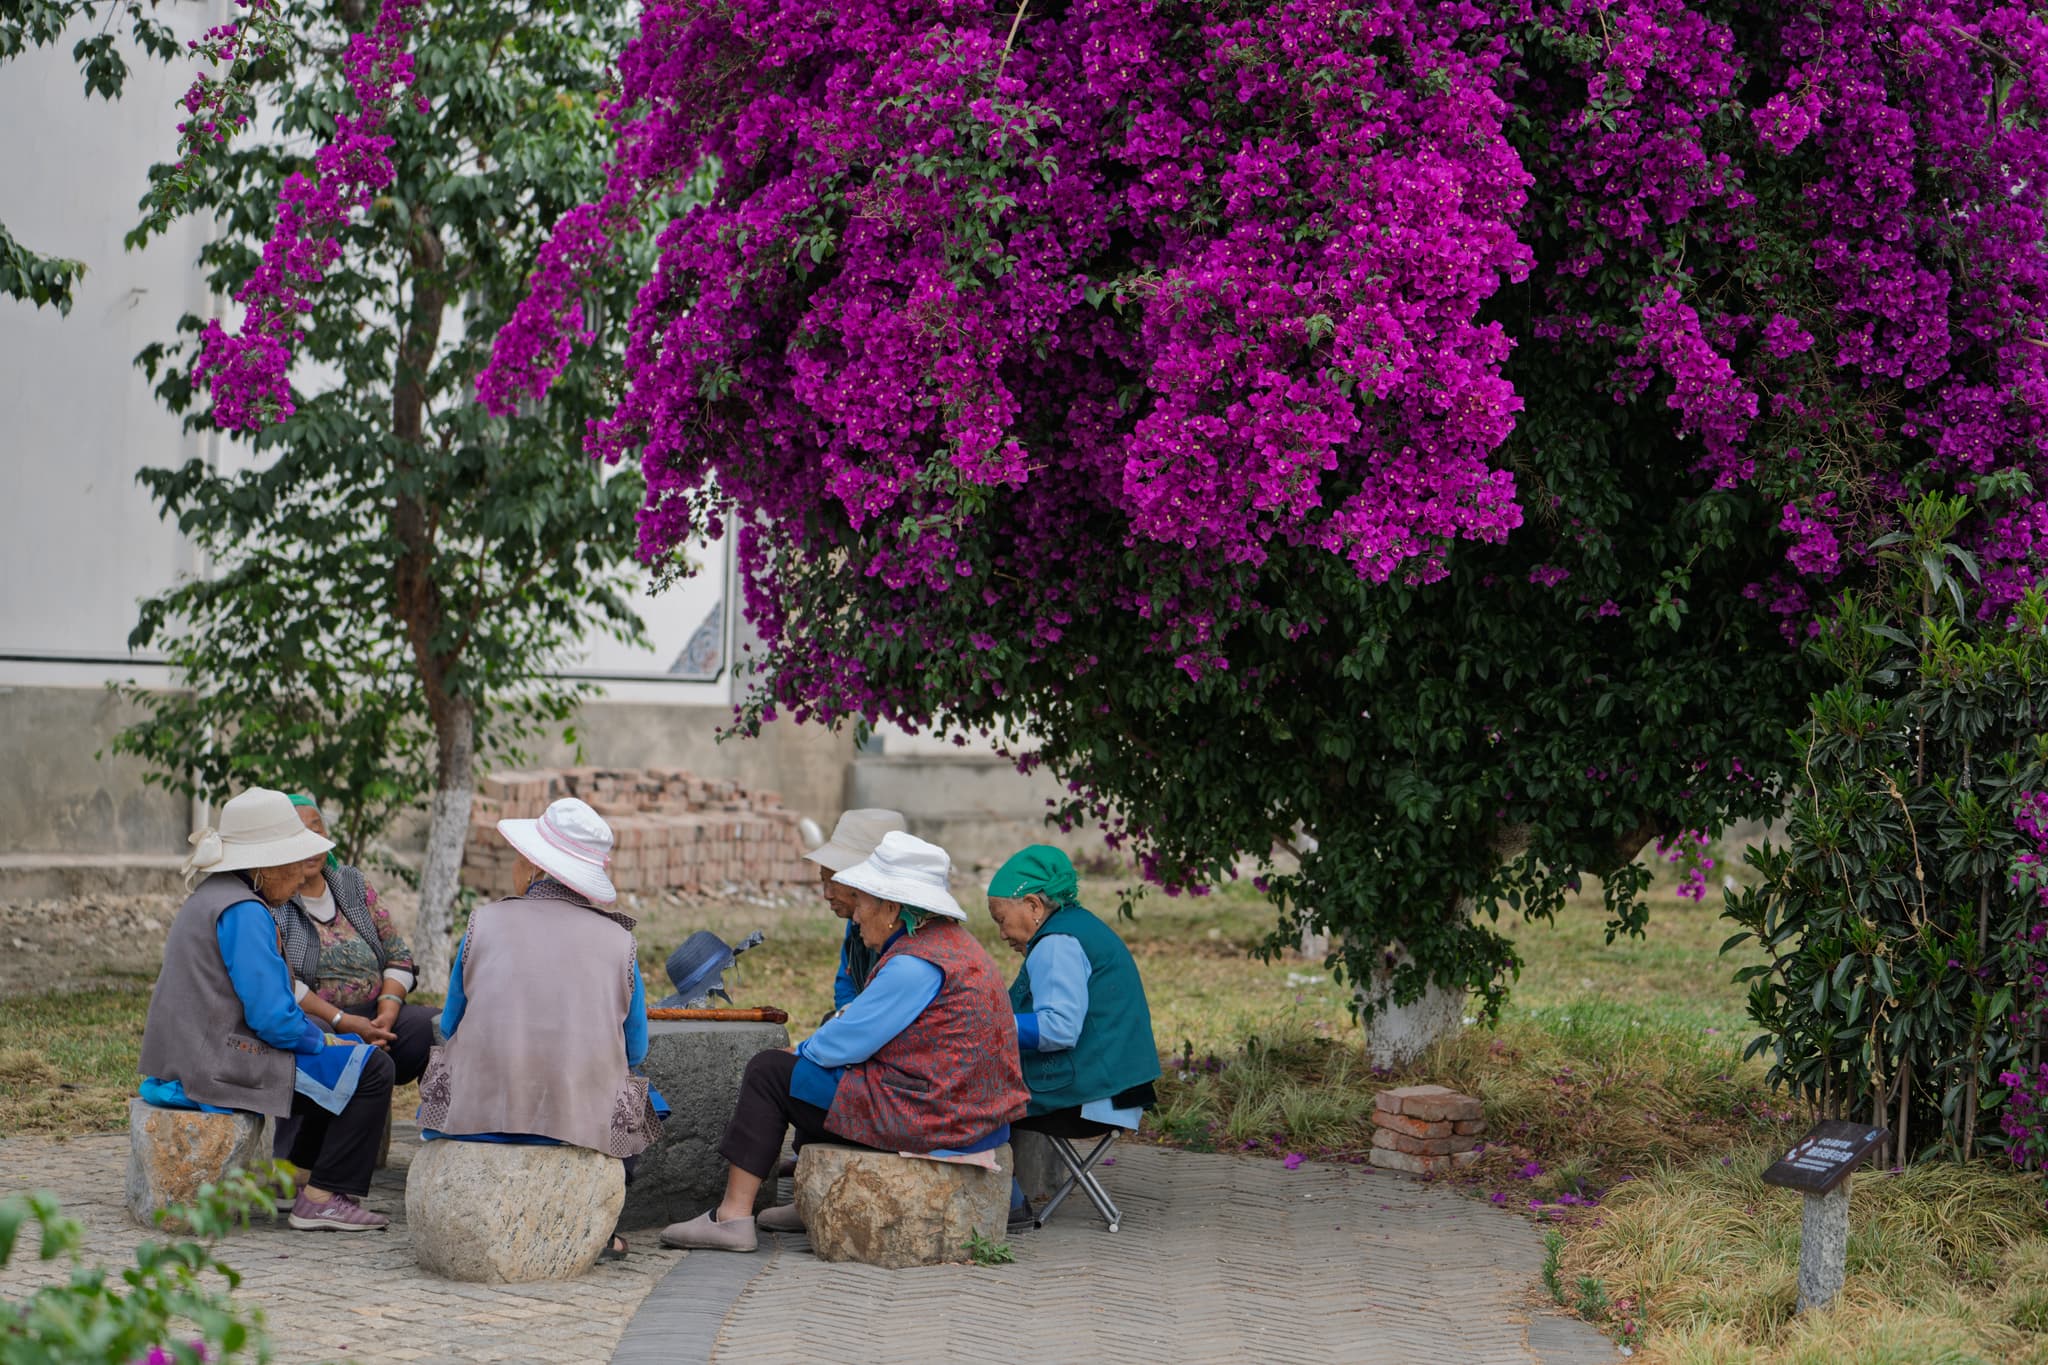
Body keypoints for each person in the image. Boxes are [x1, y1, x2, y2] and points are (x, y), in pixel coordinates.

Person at [659, 831, 1029, 1252]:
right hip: (963, 1110)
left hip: (935, 1117)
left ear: (892, 907)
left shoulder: (914, 962)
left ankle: (731, 1218)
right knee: (818, 1078)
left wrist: (799, 1053)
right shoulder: (951, 944)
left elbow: (843, 1044)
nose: (855, 916)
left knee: (770, 1073)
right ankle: (814, 1197)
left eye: (863, 902)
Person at [413, 797, 662, 1260]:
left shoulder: (481, 924)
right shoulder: (620, 942)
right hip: (578, 1124)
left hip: (474, 1118)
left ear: (531, 866)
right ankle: (601, 1231)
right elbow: (636, 1049)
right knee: (643, 1104)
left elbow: (449, 1024)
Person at [138, 787, 395, 1231]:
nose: (300, 878)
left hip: (192, 1054)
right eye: (293, 865)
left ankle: (297, 1176)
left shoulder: (214, 896)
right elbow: (272, 1018)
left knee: (340, 1058)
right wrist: (325, 1039)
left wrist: (324, 1036)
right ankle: (322, 1196)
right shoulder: (245, 912)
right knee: (371, 1068)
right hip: (217, 1064)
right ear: (264, 866)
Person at [986, 844, 1161, 1223]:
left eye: (1001, 919)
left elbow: (1058, 1028)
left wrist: (987, 1026)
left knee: (973, 1090)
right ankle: (1009, 1199)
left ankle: (1009, 1205)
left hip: (1095, 1095)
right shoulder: (1075, 927)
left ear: (1033, 906)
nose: (1001, 933)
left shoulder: (1056, 944)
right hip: (1113, 1082)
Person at [267, 795, 439, 1176]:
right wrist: (343, 1020)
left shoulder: (351, 883)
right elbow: (280, 979)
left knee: (439, 1027)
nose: (310, 839)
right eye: (298, 831)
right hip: (319, 1016)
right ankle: (302, 1162)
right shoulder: (274, 897)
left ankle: (443, 1139)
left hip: (377, 1017)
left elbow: (398, 954)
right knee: (319, 1039)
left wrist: (386, 1015)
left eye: (317, 828)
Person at [802, 808, 908, 1015]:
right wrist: (845, 1014)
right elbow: (845, 983)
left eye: (834, 882)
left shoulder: (908, 934)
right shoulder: (857, 923)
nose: (827, 894)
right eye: (823, 882)